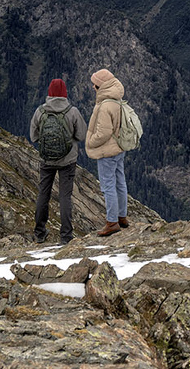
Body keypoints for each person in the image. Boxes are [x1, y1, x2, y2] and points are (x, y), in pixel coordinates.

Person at [29, 78, 86, 243]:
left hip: (46, 160)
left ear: (50, 93)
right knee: (65, 197)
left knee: (43, 194)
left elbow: (33, 136)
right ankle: (66, 236)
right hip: (68, 161)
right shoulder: (72, 111)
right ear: (64, 94)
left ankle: (39, 233)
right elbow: (81, 135)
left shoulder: (40, 111)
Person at [86, 68, 129, 235]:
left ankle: (112, 223)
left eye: (95, 85)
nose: (93, 87)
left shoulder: (105, 105)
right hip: (119, 148)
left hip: (107, 151)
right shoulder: (117, 99)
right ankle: (122, 217)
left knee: (108, 186)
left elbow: (103, 133)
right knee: (120, 182)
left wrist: (90, 140)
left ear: (100, 86)